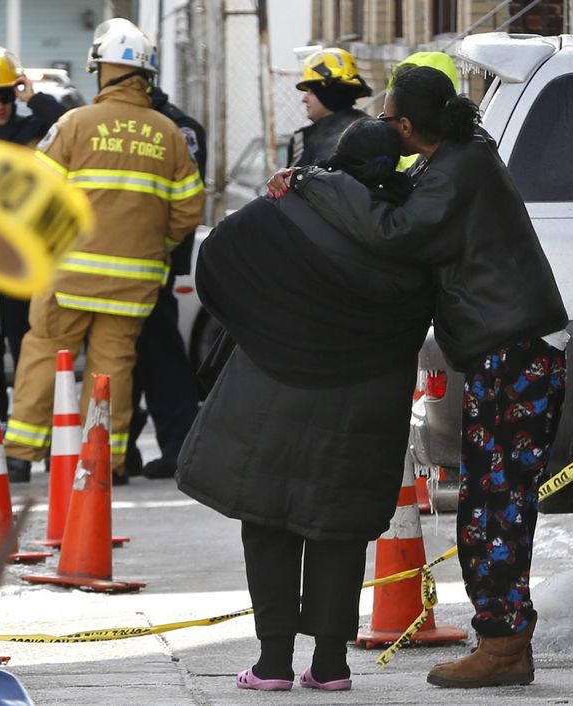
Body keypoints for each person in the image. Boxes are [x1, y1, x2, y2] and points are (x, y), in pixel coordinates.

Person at [277, 63, 569, 689]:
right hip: (512, 350)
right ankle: (506, 641)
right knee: (496, 502)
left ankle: (501, 645)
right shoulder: (463, 157)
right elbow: (408, 200)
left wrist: (313, 182)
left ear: (407, 126)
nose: (384, 128)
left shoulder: (457, 171)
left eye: (386, 119)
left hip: (513, 353)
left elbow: (395, 232)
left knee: (493, 506)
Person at [176, 118, 433, 693]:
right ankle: (332, 664)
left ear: (337, 159)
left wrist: (259, 327)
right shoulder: (412, 232)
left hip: (276, 386)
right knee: (338, 527)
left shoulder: (288, 205)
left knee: (267, 519)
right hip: (364, 400)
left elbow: (215, 262)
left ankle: (271, 665)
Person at [3, 18, 204, 484]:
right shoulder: (169, 134)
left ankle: (17, 455)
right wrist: (155, 248)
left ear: (103, 69)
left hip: (67, 275)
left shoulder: (74, 124)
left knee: (43, 355)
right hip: (133, 282)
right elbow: (188, 210)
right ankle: (105, 461)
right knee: (112, 370)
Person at [0, 45, 69, 421]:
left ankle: (25, 432)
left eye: (6, 95)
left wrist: (34, 97)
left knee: (24, 345)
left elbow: (69, 122)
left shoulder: (33, 130)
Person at [125, 86, 207, 480]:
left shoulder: (176, 129)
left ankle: (178, 448)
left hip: (152, 266)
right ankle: (124, 451)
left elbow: (183, 205)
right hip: (134, 263)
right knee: (133, 359)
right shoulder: (139, 125)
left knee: (160, 358)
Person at [286, 48, 371, 168]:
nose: (304, 99)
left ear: (326, 93)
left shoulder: (304, 140)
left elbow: (292, 184)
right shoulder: (373, 130)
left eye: (311, 91)